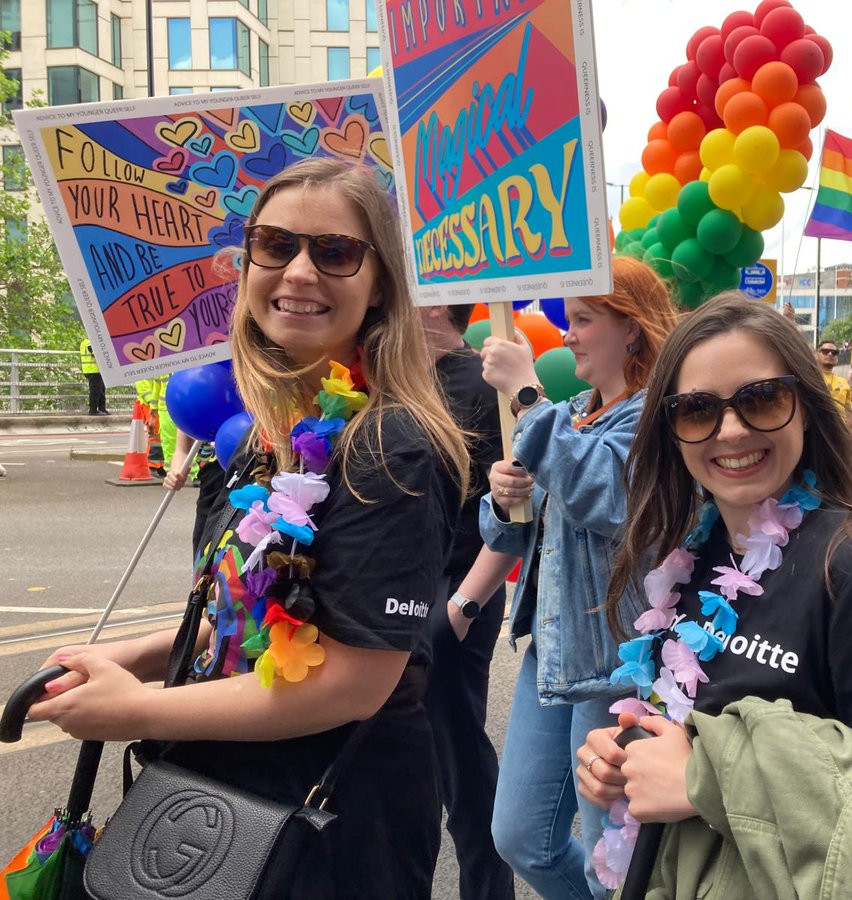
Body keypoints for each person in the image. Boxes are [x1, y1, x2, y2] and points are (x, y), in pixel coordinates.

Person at [30, 159, 470, 899]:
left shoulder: (391, 446)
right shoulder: (275, 430)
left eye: (334, 252)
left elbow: (351, 681)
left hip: (329, 823)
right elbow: (261, 610)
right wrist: (131, 655)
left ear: (381, 284)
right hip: (227, 786)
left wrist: (132, 710)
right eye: (275, 245)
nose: (299, 271)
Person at [576, 295, 852, 894]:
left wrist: (703, 780)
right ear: (673, 432)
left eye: (762, 399)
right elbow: (684, 727)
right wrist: (629, 759)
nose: (730, 429)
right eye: (696, 409)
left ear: (805, 408)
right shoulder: (693, 555)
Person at [478, 256, 679, 900]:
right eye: (569, 319)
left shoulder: (658, 417)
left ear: (633, 329)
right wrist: (504, 496)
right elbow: (512, 536)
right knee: (519, 837)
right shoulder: (575, 414)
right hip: (553, 652)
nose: (567, 334)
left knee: (608, 862)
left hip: (615, 663)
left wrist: (527, 394)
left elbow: (609, 499)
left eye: (584, 319)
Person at [419, 301, 517, 900]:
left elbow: (517, 514)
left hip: (455, 592)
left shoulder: (483, 383)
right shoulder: (381, 375)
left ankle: (487, 889)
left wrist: (460, 609)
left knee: (458, 759)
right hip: (389, 593)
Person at [815, 338, 851, 407]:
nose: (830, 354)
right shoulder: (808, 379)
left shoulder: (843, 382)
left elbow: (848, 412)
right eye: (825, 351)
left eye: (834, 352)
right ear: (816, 355)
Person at [80, 336, 107, 416]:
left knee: (101, 389)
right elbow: (94, 352)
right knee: (95, 390)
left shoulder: (85, 342)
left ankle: (102, 409)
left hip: (95, 370)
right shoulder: (89, 342)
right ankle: (93, 410)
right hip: (93, 370)